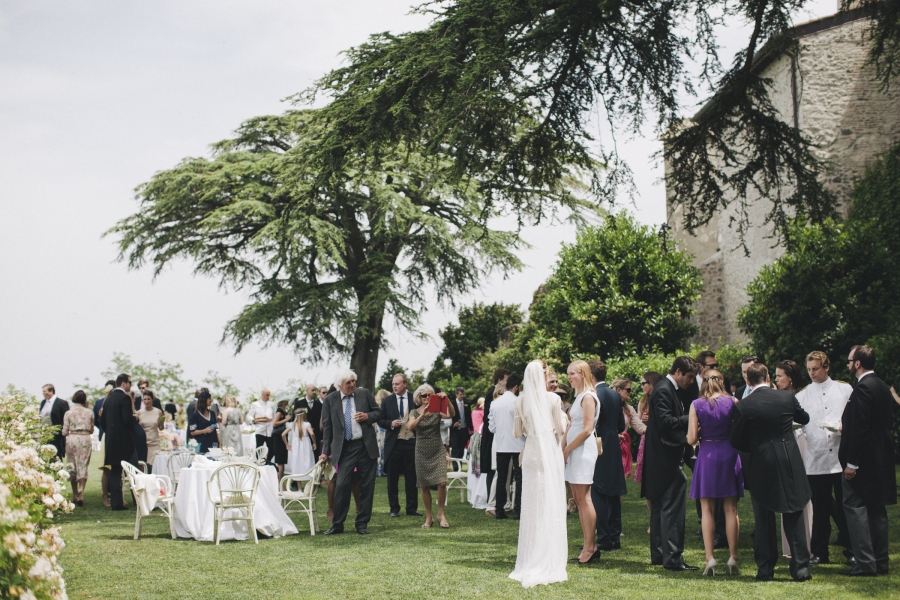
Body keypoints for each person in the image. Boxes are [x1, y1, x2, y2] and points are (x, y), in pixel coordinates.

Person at [730, 362, 812, 582]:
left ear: (748, 380)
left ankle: (765, 570)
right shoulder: (786, 398)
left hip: (760, 461)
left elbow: (736, 439)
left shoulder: (743, 406)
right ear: (767, 378)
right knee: (794, 511)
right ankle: (801, 568)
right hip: (788, 459)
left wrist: (755, 445)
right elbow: (804, 418)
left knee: (763, 517)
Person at [509, 361, 569, 587]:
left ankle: (530, 554)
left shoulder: (520, 400)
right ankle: (547, 555)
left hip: (531, 453)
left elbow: (517, 433)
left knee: (532, 504)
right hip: (548, 455)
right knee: (549, 501)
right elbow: (560, 429)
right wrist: (563, 418)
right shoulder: (554, 399)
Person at [839, 345, 897, 576]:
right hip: (881, 458)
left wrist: (852, 463)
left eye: (849, 361)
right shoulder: (882, 386)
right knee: (877, 510)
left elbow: (861, 428)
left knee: (854, 508)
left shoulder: (863, 388)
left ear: (858, 363)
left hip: (863, 461)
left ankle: (865, 562)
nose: (848, 365)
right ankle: (881, 561)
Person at [795, 352, 852, 565]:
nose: (812, 373)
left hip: (840, 457)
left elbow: (853, 417)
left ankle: (852, 548)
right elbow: (797, 426)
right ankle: (820, 551)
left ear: (826, 367)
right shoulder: (802, 396)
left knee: (847, 507)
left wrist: (842, 427)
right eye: (809, 369)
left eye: (816, 369)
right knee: (820, 509)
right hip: (816, 459)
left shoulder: (844, 389)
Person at [687, 369, 744, 576]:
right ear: (722, 381)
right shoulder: (734, 401)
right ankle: (733, 556)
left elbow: (691, 439)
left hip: (707, 453)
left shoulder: (697, 404)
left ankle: (710, 558)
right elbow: (740, 431)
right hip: (729, 452)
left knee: (707, 510)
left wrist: (701, 431)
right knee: (731, 509)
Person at [644, 356, 697, 571]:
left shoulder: (666, 388)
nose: (691, 382)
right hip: (666, 457)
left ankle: (659, 554)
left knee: (659, 509)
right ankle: (673, 558)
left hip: (659, 458)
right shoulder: (665, 389)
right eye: (690, 377)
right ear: (678, 371)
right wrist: (692, 418)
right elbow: (666, 422)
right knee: (672, 510)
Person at [322, 369, 381, 535]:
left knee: (366, 486)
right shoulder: (330, 400)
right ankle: (337, 524)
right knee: (341, 485)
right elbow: (327, 428)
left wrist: (367, 417)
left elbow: (378, 412)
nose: (353, 384)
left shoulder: (364, 394)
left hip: (365, 446)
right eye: (348, 382)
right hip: (345, 449)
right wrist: (325, 451)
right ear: (340, 385)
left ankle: (362, 523)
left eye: (354, 381)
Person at [774, 359, 813, 560]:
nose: (776, 379)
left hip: (800, 442)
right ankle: (790, 546)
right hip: (785, 444)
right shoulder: (778, 397)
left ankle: (808, 542)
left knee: (802, 494)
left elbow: (807, 421)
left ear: (790, 377)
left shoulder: (802, 396)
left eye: (780, 375)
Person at [563, 360, 600, 565]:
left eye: (573, 373)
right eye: (567, 374)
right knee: (577, 498)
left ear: (584, 374)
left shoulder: (588, 397)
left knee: (584, 499)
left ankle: (590, 547)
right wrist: (561, 448)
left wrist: (568, 449)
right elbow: (571, 425)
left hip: (582, 451)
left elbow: (586, 429)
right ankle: (588, 545)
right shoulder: (578, 397)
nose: (569, 377)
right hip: (573, 451)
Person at [589, 360, 626, 551]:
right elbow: (621, 425)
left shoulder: (593, 395)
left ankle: (603, 536)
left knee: (599, 491)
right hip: (613, 445)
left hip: (598, 445)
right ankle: (614, 535)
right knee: (613, 491)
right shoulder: (614, 394)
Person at [408, 384, 455, 528]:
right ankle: (429, 517)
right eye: (424, 396)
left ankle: (441, 514)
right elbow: (410, 427)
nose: (427, 398)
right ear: (419, 397)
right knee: (424, 486)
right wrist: (422, 416)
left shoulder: (436, 410)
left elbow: (451, 414)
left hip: (437, 448)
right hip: (421, 450)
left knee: (441, 482)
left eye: (430, 395)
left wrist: (446, 399)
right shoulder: (414, 412)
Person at [378, 373, 421, 517]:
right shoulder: (387, 401)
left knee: (411, 477)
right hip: (394, 444)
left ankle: (411, 508)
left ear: (405, 384)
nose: (394, 387)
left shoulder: (414, 399)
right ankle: (394, 509)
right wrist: (390, 423)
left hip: (411, 442)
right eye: (393, 384)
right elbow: (380, 420)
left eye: (397, 384)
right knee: (392, 478)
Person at [99, 374, 138, 511]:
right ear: (123, 383)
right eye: (130, 382)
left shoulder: (108, 399)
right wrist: (135, 420)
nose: (130, 385)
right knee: (134, 470)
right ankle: (138, 499)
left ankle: (116, 503)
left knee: (115, 472)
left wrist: (111, 431)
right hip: (124, 441)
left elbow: (102, 421)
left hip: (111, 440)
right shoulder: (124, 398)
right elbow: (127, 419)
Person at [489, 374, 524, 521]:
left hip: (502, 444)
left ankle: (499, 510)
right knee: (519, 478)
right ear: (516, 387)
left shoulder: (495, 403)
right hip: (518, 443)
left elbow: (491, 427)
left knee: (502, 479)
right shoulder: (518, 402)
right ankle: (518, 511)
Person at [480, 368, 510, 513]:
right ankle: (491, 502)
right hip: (493, 437)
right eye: (506, 379)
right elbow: (489, 420)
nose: (507, 382)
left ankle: (502, 502)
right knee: (494, 470)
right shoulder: (492, 396)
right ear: (499, 380)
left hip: (500, 437)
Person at [62, 390, 93, 506]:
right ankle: (81, 492)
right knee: (83, 464)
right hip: (85, 438)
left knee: (72, 464)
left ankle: (75, 493)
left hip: (73, 438)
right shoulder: (89, 412)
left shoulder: (68, 413)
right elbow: (92, 429)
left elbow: (65, 431)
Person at [612, 378, 644, 480]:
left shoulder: (629, 409)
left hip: (622, 450)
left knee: (620, 484)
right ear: (618, 390)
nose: (630, 393)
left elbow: (640, 428)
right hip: (608, 447)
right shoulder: (607, 406)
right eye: (628, 390)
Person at [284, 410, 316, 478]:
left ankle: (299, 487)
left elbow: (283, 434)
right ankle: (309, 480)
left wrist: (287, 444)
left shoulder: (292, 424)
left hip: (295, 445)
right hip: (306, 444)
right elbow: (312, 433)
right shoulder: (307, 424)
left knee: (297, 462)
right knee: (308, 460)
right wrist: (314, 442)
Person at [137, 390, 164, 469]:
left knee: (154, 467)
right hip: (143, 444)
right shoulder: (139, 413)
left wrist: (161, 424)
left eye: (148, 399)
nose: (146, 401)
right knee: (143, 467)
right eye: (144, 399)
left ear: (152, 400)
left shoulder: (158, 412)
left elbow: (161, 428)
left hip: (155, 443)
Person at [40, 384, 69, 459]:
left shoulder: (61, 403)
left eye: (44, 391)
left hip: (56, 434)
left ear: (51, 391)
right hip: (44, 433)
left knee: (56, 455)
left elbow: (66, 418)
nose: (43, 393)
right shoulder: (43, 402)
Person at [247, 389, 275, 465]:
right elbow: (249, 416)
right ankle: (259, 462)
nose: (268, 397)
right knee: (259, 448)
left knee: (272, 449)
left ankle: (267, 462)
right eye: (267, 395)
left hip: (269, 430)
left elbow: (275, 415)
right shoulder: (255, 404)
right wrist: (254, 420)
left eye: (269, 395)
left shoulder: (272, 405)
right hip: (260, 429)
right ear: (262, 394)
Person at [271, 396, 291, 480]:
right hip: (279, 438)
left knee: (282, 461)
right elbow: (274, 423)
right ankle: (279, 482)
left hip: (282, 437)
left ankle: (280, 481)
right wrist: (286, 420)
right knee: (280, 461)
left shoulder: (283, 411)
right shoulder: (279, 411)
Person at [450, 387, 470, 459]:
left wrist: (471, 428)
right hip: (455, 430)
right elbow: (449, 416)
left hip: (464, 429)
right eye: (461, 394)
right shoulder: (452, 404)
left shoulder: (467, 403)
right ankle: (455, 467)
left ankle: (460, 464)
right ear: (456, 394)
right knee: (455, 448)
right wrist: (453, 424)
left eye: (463, 394)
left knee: (462, 448)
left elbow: (469, 417)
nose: (462, 396)